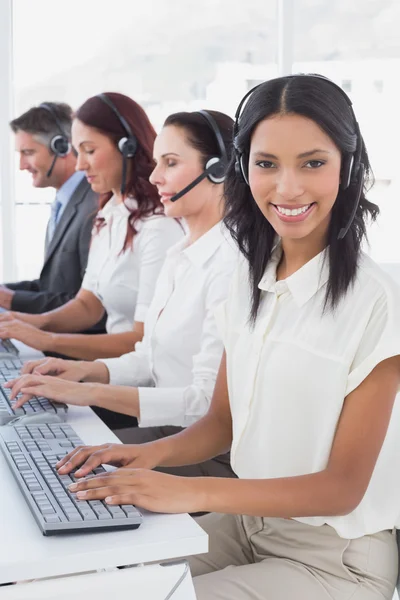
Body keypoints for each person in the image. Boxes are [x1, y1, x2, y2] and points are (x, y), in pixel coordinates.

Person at [31, 75, 400, 599]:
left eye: (313, 163)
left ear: (348, 164)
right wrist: (143, 458)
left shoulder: (377, 302)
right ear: (242, 168)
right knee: (93, 579)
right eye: (267, 164)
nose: (287, 187)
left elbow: (342, 489)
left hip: (334, 558)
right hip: (247, 527)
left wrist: (182, 490)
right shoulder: (248, 279)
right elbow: (222, 423)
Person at [9, 110, 238, 477]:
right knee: (36, 460)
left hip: (205, 452)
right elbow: (148, 358)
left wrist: (88, 392)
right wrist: (80, 372)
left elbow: (204, 404)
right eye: (158, 161)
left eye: (171, 163)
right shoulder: (180, 253)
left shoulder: (231, 265)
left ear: (218, 169)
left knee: (58, 477)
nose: (154, 175)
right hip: (167, 431)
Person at [0, 93, 183, 361]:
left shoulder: (158, 226)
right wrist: (21, 321)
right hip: (112, 373)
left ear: (127, 147)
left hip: (137, 383)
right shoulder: (108, 215)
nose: (79, 164)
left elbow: (143, 341)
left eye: (89, 150)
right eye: (78, 151)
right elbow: (88, 304)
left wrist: (45, 338)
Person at [1, 103, 102, 332]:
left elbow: (89, 305)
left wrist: (10, 300)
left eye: (28, 153)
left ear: (62, 147)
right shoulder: (64, 203)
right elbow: (51, 287)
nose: (21, 166)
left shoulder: (94, 207)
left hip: (78, 354)